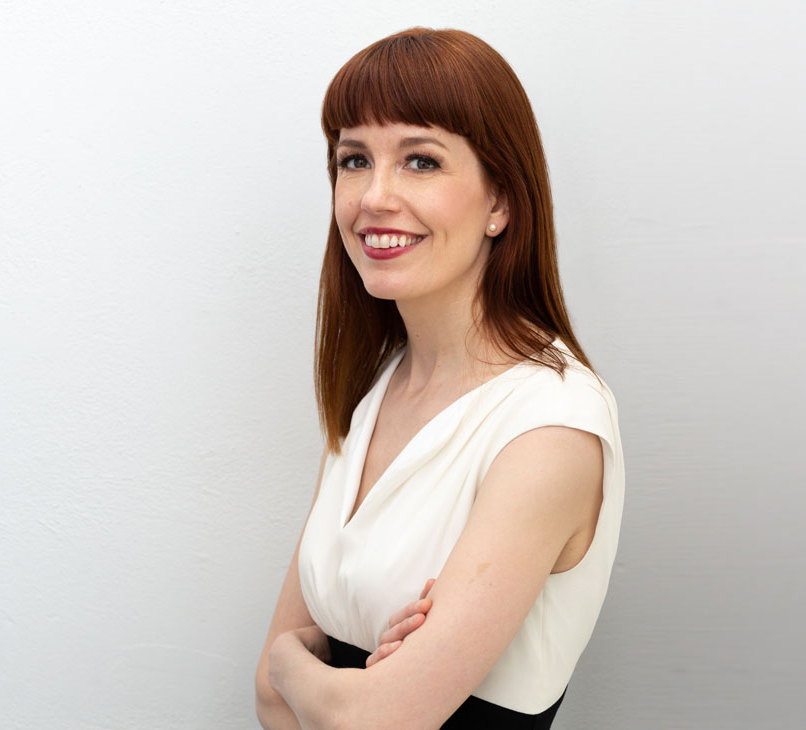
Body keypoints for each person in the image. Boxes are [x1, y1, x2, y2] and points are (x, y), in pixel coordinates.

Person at [255, 27, 624, 729]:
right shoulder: (373, 392)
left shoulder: (550, 427)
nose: (374, 197)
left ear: (500, 202)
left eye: (420, 160)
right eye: (354, 160)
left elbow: (366, 719)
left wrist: (288, 663)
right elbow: (270, 707)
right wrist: (313, 684)